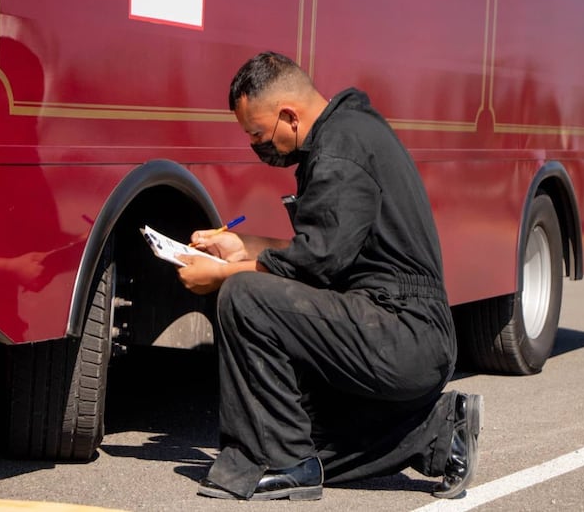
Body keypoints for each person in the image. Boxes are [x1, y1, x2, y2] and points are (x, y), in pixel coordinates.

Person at [176, 51, 482, 501]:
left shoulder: (341, 150)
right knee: (312, 441)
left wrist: (224, 273)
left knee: (243, 295)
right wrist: (246, 246)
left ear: (288, 115)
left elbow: (315, 264)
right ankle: (438, 432)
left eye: (258, 133)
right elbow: (328, 252)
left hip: (402, 329)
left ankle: (282, 464)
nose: (256, 145)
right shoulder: (348, 135)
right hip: (398, 328)